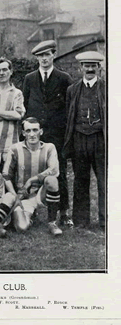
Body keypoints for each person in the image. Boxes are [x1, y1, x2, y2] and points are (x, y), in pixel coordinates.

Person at [23, 40, 73, 227]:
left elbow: (69, 107)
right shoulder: (29, 79)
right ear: (36, 58)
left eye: (47, 55)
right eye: (40, 56)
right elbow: (26, 105)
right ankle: (32, 210)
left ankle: (64, 212)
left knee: (58, 172)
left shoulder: (64, 78)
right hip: (35, 134)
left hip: (56, 134)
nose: (44, 59)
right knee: (33, 170)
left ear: (53, 55)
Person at [63, 51, 106, 229]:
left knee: (104, 180)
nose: (90, 69)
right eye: (86, 66)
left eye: (93, 66)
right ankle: (81, 220)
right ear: (80, 68)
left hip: (100, 139)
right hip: (80, 138)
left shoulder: (107, 88)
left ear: (99, 68)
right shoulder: (72, 90)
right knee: (80, 179)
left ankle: (106, 219)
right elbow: (69, 114)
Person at [2, 117, 63, 236]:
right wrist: (15, 197)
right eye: (28, 131)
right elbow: (6, 175)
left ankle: (52, 223)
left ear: (41, 131)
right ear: (23, 133)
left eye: (35, 130)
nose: (32, 134)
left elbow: (54, 170)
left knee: (52, 180)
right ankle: (29, 216)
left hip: (41, 193)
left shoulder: (49, 147)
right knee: (21, 228)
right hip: (24, 196)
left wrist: (31, 180)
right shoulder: (15, 149)